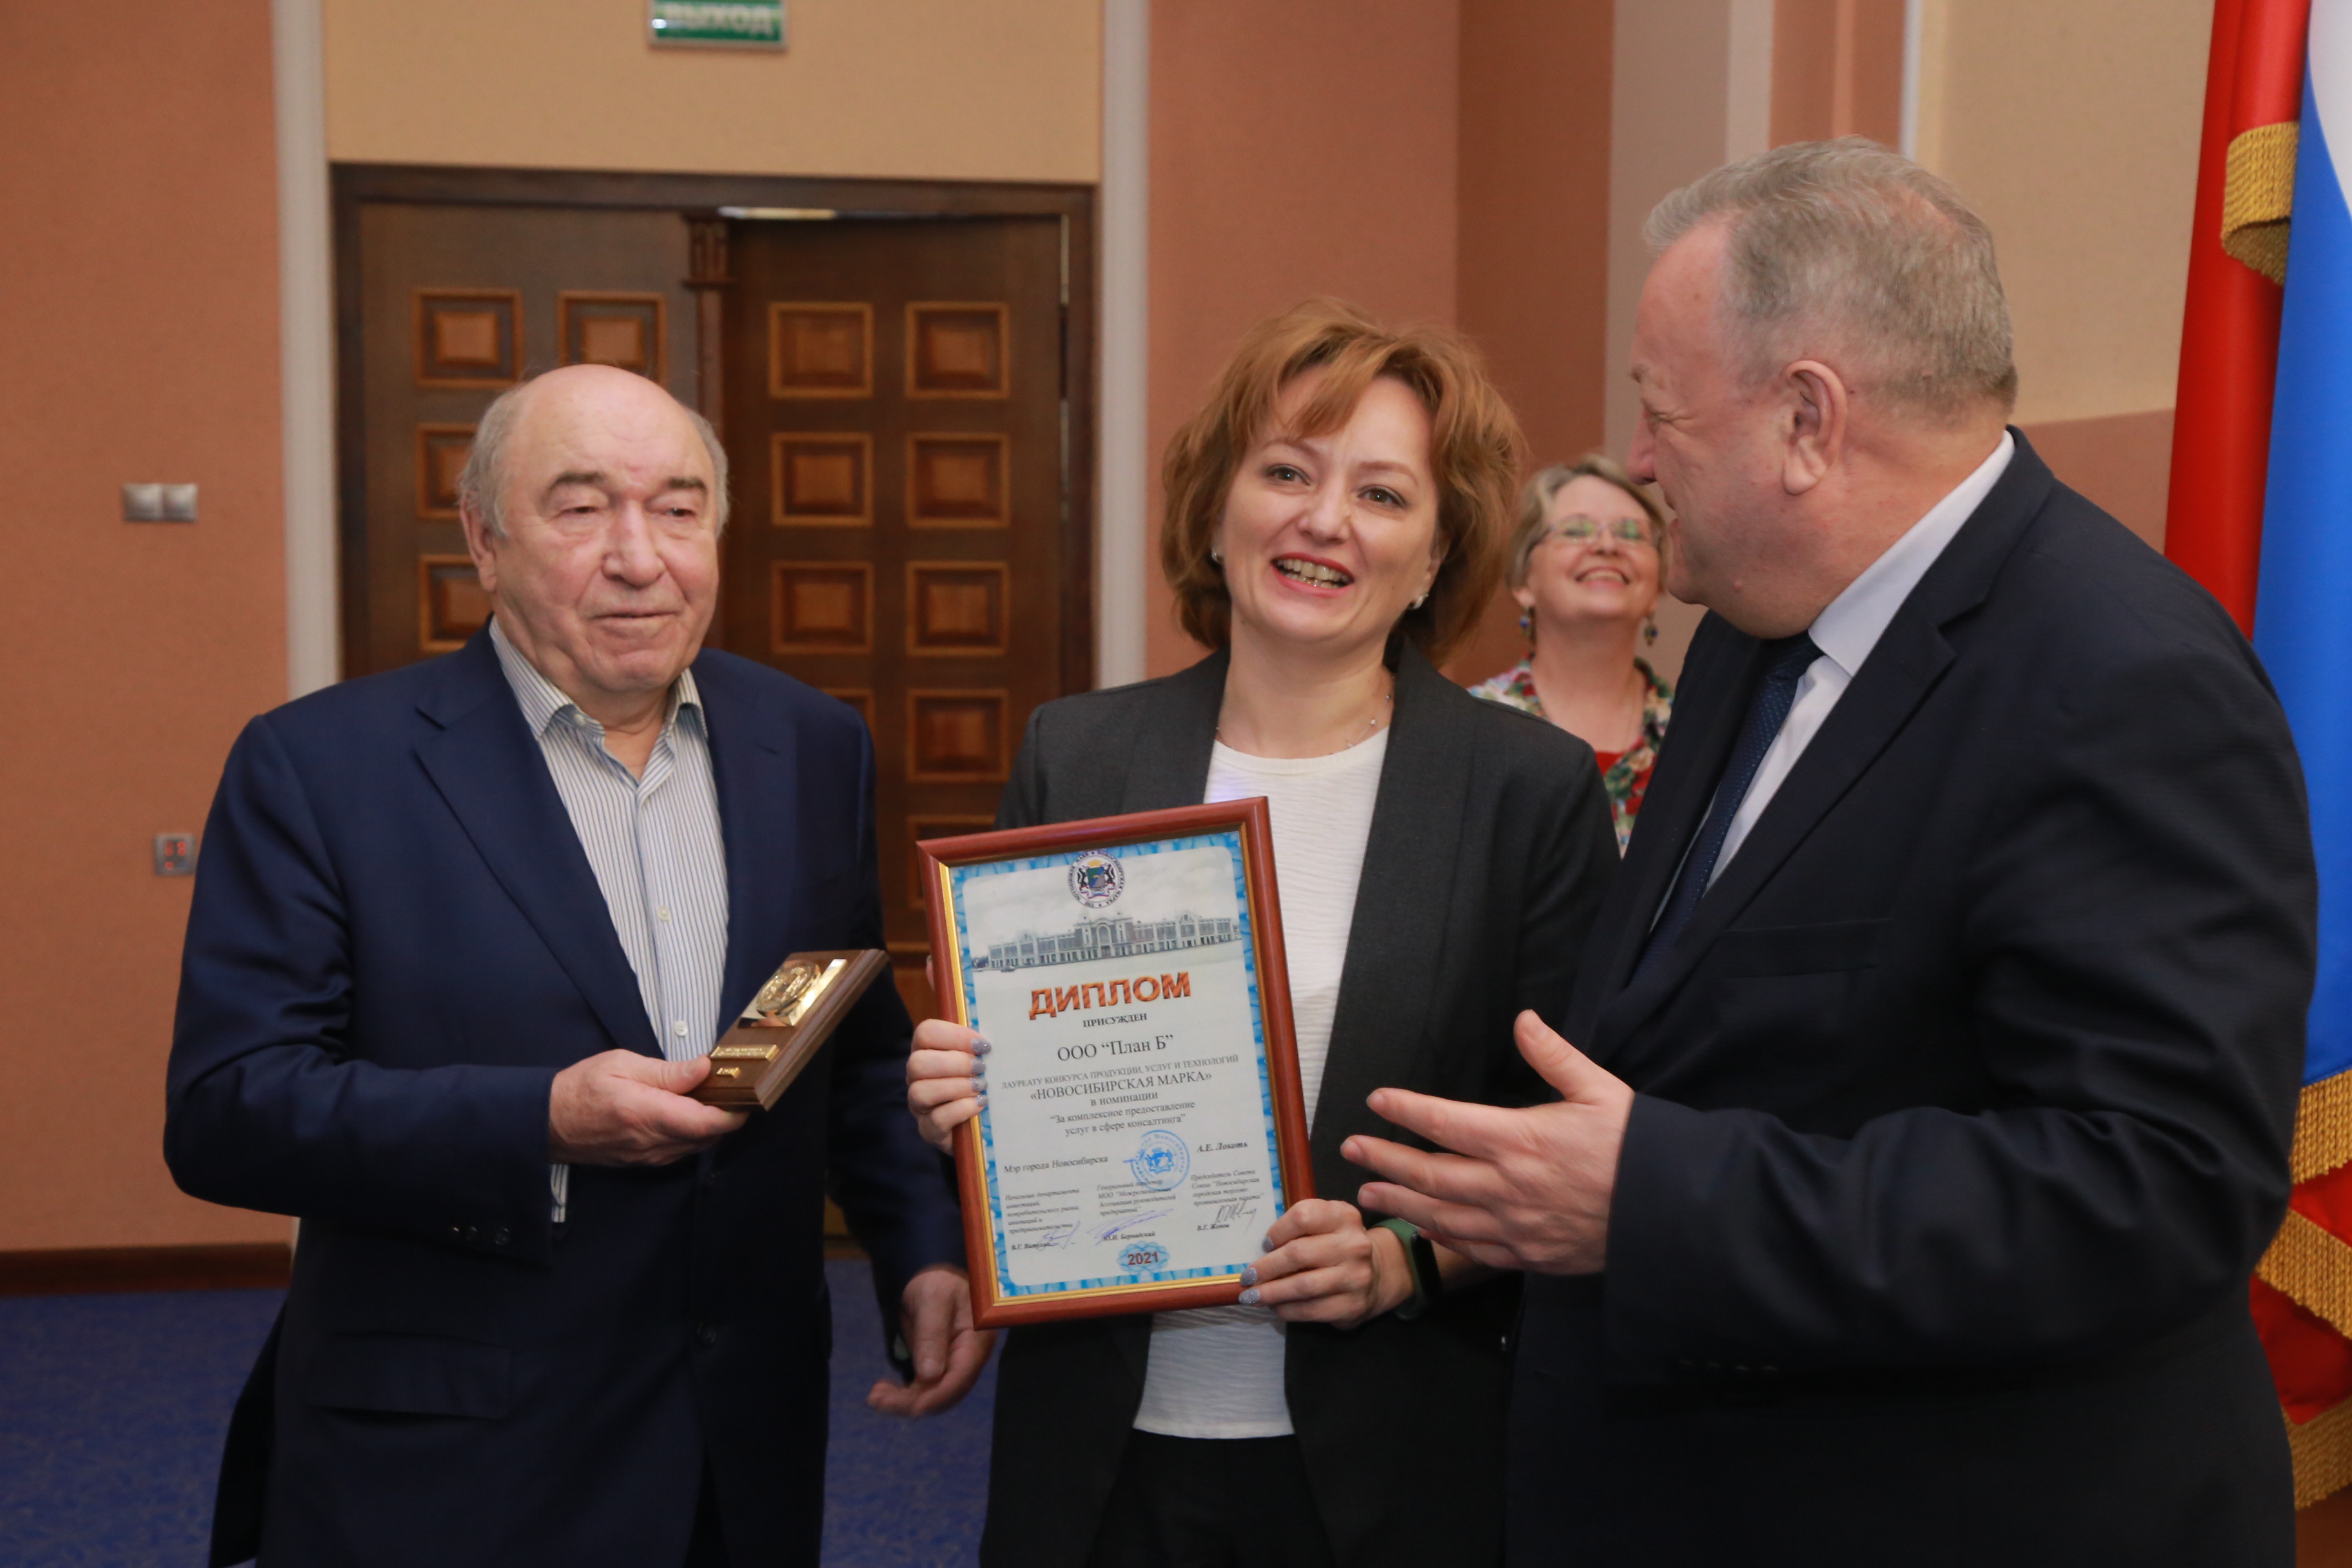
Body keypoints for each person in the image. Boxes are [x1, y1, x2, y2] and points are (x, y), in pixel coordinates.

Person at [1346, 140, 2315, 1566]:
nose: (1639, 462)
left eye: (1661, 413)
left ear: (1808, 419)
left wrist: (1653, 1198)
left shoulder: (2122, 677)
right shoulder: (1755, 627)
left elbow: (2154, 1188)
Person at [165, 364, 986, 1568]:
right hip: (451, 1464)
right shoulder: (321, 768)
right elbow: (228, 1110)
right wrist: (541, 1119)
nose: (639, 558)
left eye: (678, 508)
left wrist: (922, 1244)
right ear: (483, 541)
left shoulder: (810, 745)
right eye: (581, 507)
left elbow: (848, 1039)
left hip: (739, 1449)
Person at [906, 300, 1618, 1567]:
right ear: (1216, 508)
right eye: (1286, 471)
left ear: (1436, 553)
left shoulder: (1524, 789)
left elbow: (1563, 1135)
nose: (1323, 519)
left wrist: (1403, 1258)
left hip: (1389, 1456)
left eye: (1381, 494)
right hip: (1098, 1453)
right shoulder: (1078, 754)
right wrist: (965, 1103)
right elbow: (1019, 1097)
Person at [1469, 455, 1675, 848]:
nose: (1607, 546)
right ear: (1524, 580)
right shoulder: (1471, 731)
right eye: (1577, 530)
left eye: (1631, 533)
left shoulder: (1699, 736)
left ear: (1658, 586)